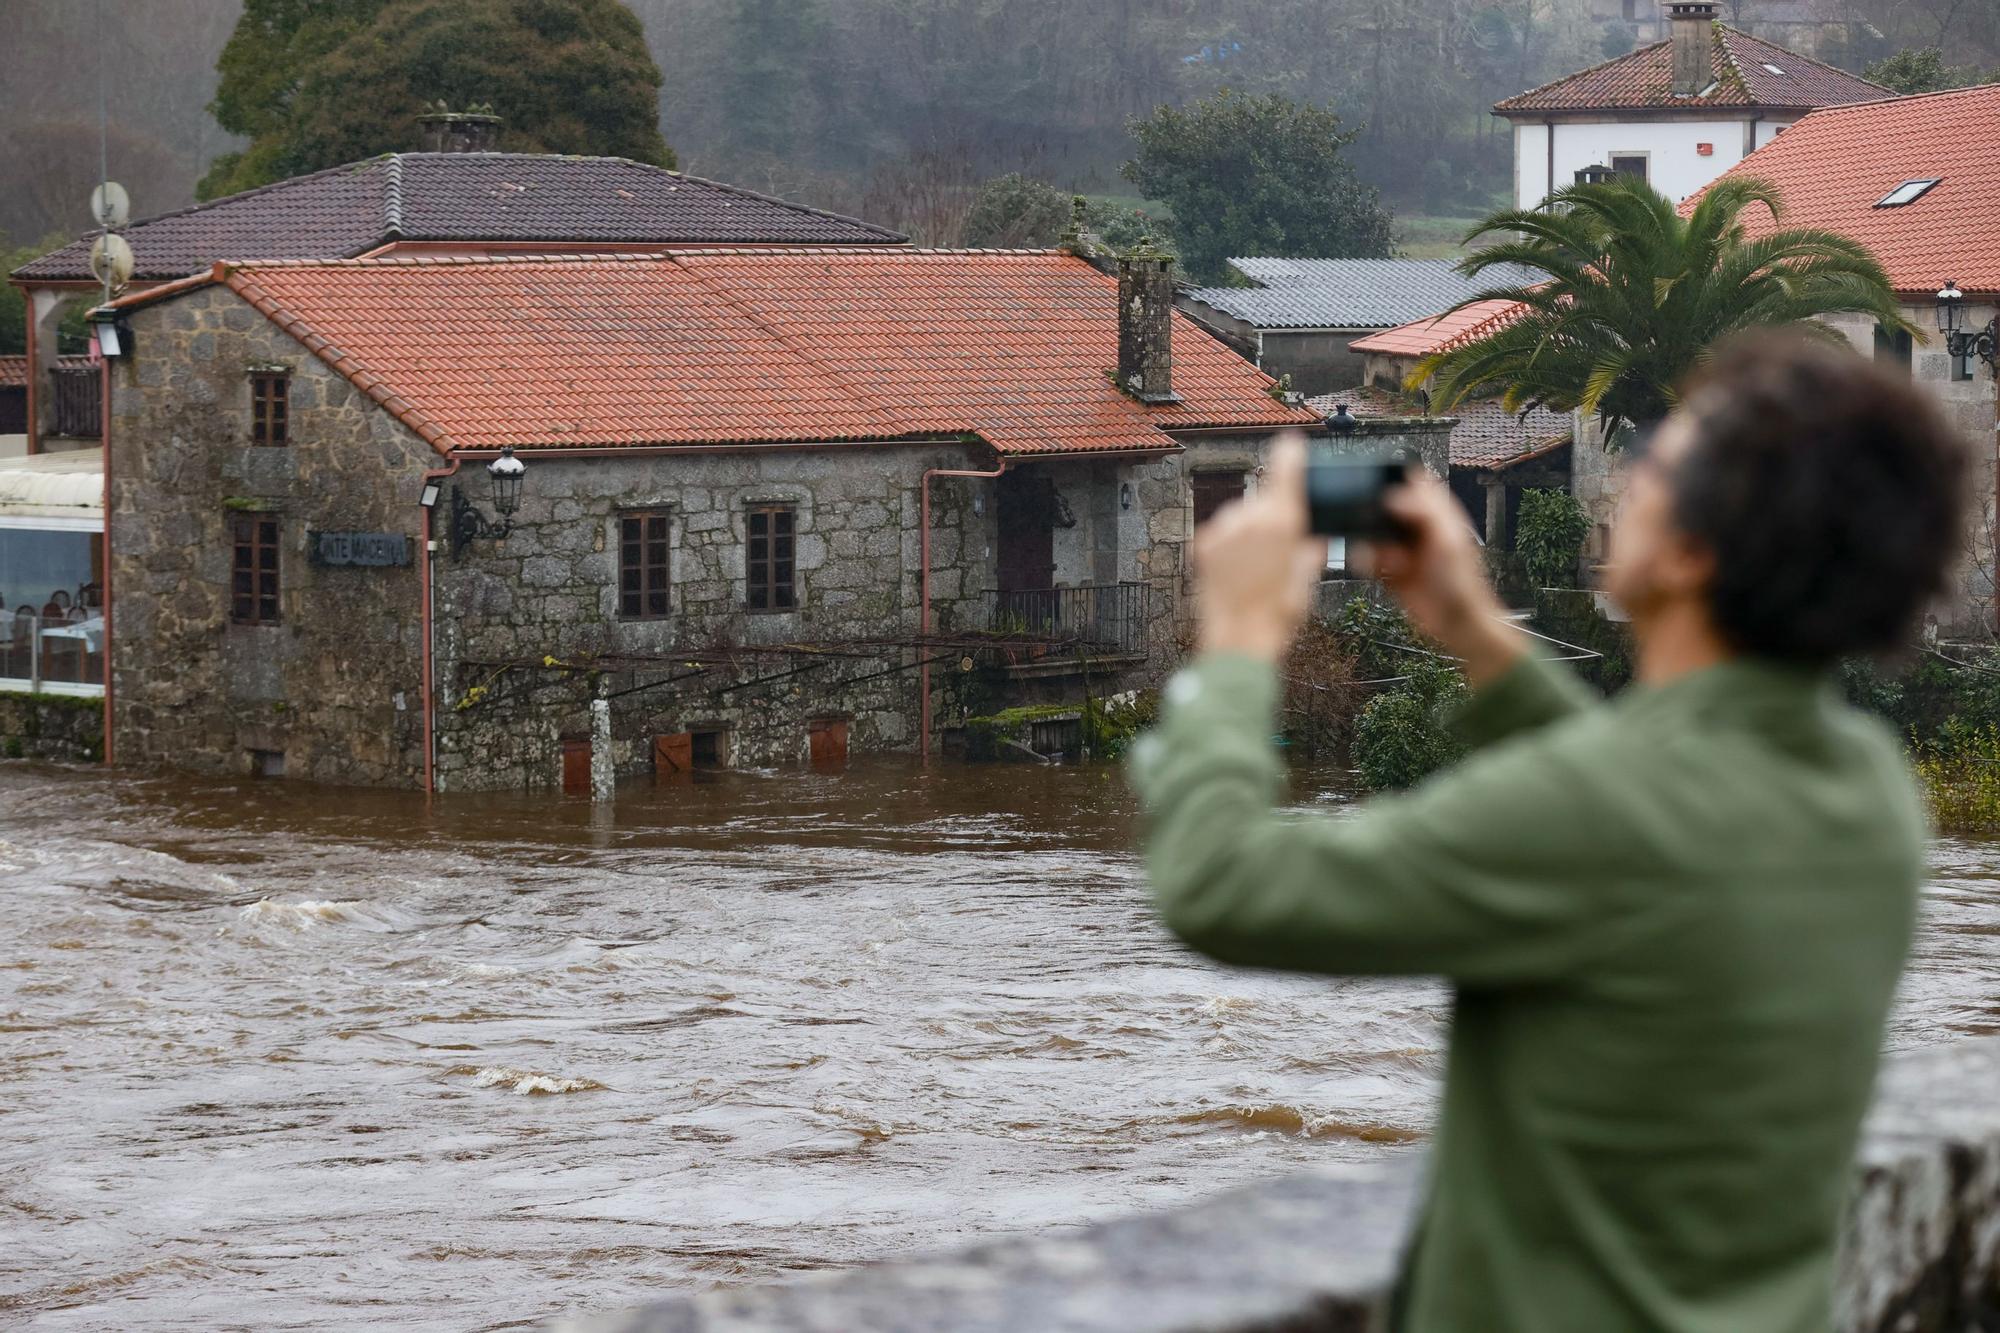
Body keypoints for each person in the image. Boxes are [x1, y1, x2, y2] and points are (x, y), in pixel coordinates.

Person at [1129, 333, 1968, 1333]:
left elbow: (1218, 881)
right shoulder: (1867, 790)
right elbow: (1651, 819)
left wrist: (1236, 641)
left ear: (1689, 549)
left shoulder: (1603, 810)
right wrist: (1475, 631)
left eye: (1652, 464)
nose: (1626, 484)